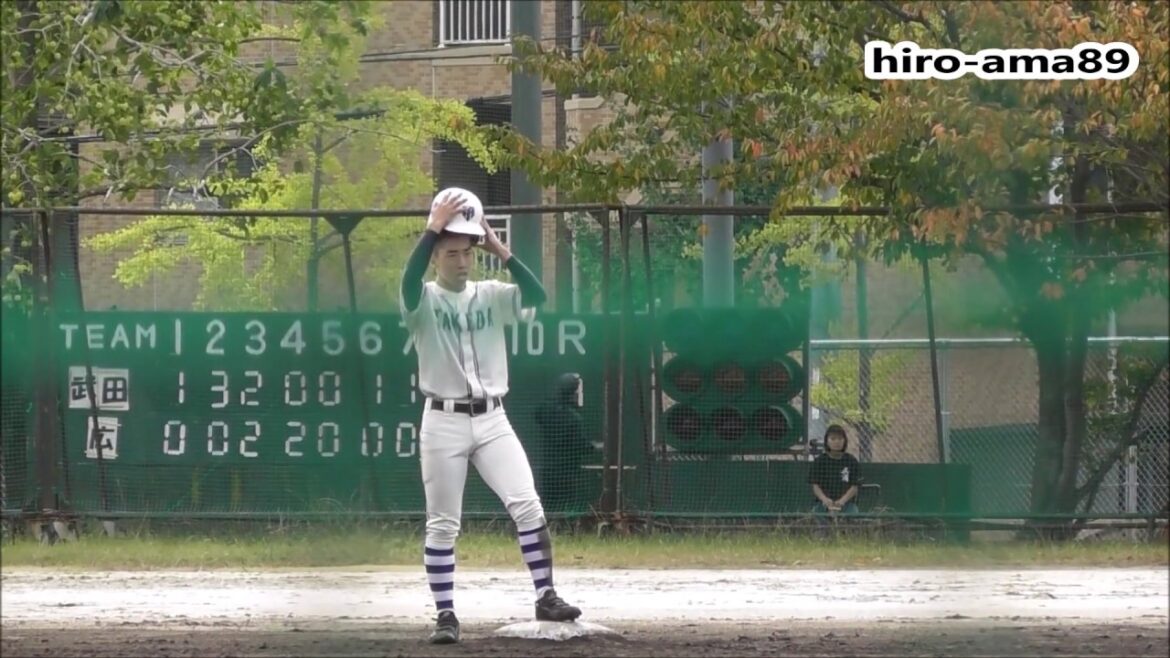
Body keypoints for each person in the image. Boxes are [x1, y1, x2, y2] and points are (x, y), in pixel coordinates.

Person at [400, 188, 583, 645]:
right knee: (443, 523)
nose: (462, 261)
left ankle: (545, 595)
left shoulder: (491, 295)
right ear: (435, 257)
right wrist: (431, 231)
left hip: (492, 419)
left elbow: (537, 294)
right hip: (443, 420)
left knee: (528, 503)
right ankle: (446, 615)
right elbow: (407, 282)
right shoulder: (422, 300)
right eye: (452, 253)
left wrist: (498, 247)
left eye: (468, 252)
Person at [533, 373, 592, 514]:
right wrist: (594, 446)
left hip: (548, 470)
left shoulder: (545, 409)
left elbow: (539, 414)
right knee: (565, 508)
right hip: (567, 473)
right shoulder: (573, 418)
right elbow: (581, 445)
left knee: (547, 507)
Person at [808, 424, 861, 524]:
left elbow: (854, 487)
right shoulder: (820, 461)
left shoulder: (851, 461)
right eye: (833, 439)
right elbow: (815, 486)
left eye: (840, 439)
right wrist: (825, 500)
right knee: (816, 516)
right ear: (827, 441)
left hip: (847, 504)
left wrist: (842, 501)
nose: (837, 442)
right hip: (823, 504)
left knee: (852, 517)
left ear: (844, 441)